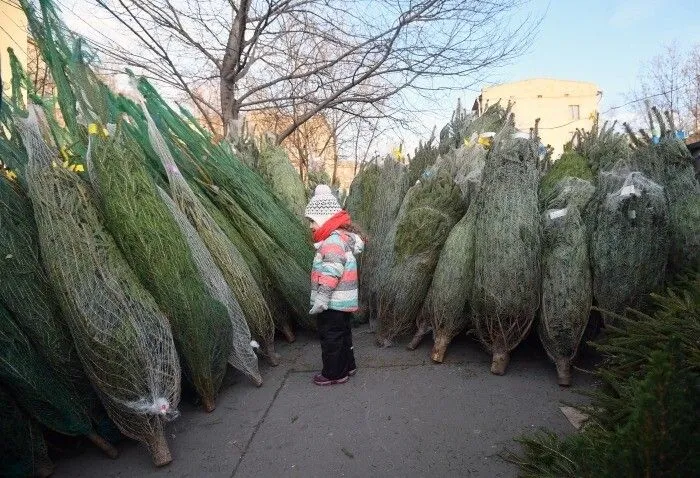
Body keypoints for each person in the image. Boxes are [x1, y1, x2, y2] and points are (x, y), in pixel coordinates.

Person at [305, 184, 365, 386]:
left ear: (324, 220)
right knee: (343, 335)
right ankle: (348, 365)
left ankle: (334, 373)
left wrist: (322, 298)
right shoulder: (341, 239)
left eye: (312, 221)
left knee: (331, 337)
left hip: (332, 302)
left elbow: (331, 273)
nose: (311, 226)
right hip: (343, 302)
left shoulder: (331, 242)